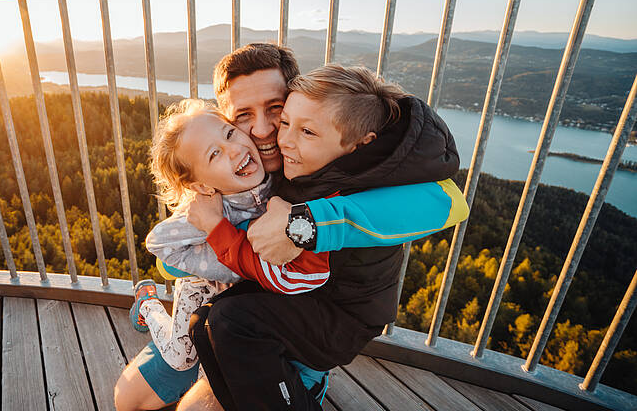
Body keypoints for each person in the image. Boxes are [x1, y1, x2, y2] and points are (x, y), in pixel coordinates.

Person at [114, 43, 465, 410]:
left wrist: (304, 224)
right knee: (127, 400)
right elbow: (168, 262)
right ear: (225, 118)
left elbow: (448, 204)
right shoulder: (236, 171)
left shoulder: (324, 157)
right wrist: (216, 224)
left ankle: (302, 384)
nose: (266, 131)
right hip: (231, 310)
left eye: (276, 110)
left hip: (295, 323)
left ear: (297, 100)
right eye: (243, 116)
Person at [123, 98, 334, 411]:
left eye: (230, 134)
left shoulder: (284, 183)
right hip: (201, 300)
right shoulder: (214, 206)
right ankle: (150, 306)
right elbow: (159, 243)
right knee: (143, 388)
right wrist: (224, 241)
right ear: (200, 184)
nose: (234, 149)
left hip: (249, 326)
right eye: (214, 153)